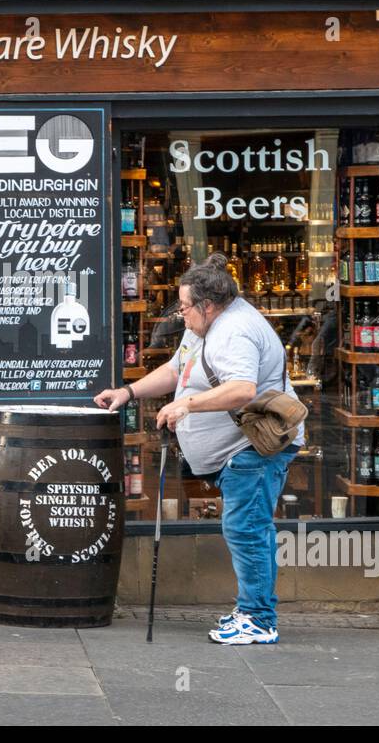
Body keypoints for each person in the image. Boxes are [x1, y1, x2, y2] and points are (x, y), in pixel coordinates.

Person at [94, 253, 303, 645]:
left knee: (247, 529)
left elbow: (242, 389)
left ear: (208, 305)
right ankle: (249, 609)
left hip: (250, 448)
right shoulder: (205, 325)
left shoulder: (234, 331)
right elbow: (178, 368)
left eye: (185, 307)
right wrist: (129, 392)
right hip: (233, 451)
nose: (181, 314)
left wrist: (187, 405)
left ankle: (259, 619)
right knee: (244, 527)